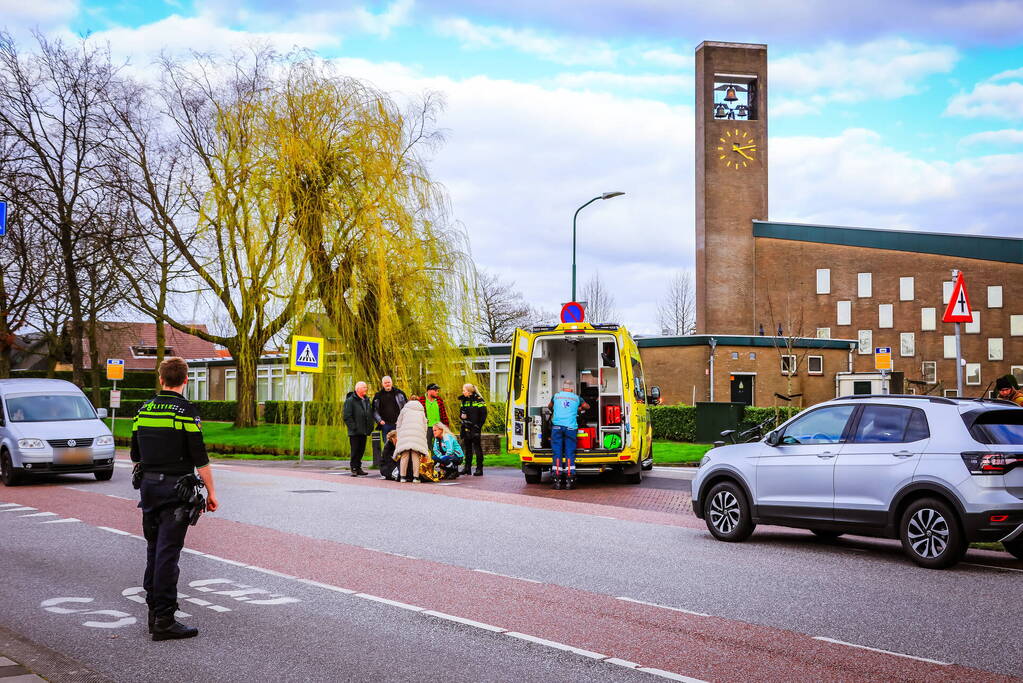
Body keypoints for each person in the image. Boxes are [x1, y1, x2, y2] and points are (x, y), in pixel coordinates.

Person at [130, 356, 218, 641]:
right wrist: (212, 492)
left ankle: (153, 612)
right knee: (169, 553)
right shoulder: (185, 412)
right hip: (175, 490)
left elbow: (134, 454)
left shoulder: (143, 410)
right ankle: (165, 620)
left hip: (149, 489)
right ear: (185, 380)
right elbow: (199, 456)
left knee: (154, 549)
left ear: (160, 378)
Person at [548, 379, 589, 490]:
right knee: (569, 452)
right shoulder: (576, 398)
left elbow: (549, 406)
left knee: (557, 452)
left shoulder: (556, 396)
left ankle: (557, 479)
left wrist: (555, 408)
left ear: (562, 388)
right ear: (572, 389)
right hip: (571, 428)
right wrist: (578, 408)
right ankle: (570, 479)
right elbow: (587, 407)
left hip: (557, 427)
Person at [372, 376, 408, 476]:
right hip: (385, 425)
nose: (387, 384)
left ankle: (401, 466)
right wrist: (379, 421)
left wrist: (401, 419)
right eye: (385, 383)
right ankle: (389, 466)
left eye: (389, 382)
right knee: (387, 445)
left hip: (398, 425)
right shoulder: (378, 396)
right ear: (382, 384)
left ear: (391, 383)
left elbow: (406, 406)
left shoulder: (399, 393)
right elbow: (374, 410)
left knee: (400, 445)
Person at [343, 381, 374, 476]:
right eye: (364, 387)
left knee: (361, 450)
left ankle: (359, 467)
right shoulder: (350, 400)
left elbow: (369, 413)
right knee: (355, 450)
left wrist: (370, 426)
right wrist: (354, 427)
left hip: (364, 430)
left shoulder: (366, 400)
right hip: (355, 431)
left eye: (366, 387)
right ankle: (354, 468)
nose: (366, 389)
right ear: (358, 389)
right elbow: (347, 416)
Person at [395, 398, 429, 483]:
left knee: (404, 455)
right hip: (417, 434)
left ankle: (403, 477)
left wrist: (399, 434)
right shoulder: (421, 411)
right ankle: (416, 477)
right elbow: (425, 425)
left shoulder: (404, 410)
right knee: (415, 455)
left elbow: (398, 423)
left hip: (405, 434)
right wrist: (423, 434)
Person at [458, 383, 487, 476]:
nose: (463, 392)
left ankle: (479, 469)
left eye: (464, 390)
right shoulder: (463, 400)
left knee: (477, 448)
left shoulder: (479, 400)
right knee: (468, 448)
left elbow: (483, 414)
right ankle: (467, 468)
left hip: (475, 427)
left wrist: (478, 426)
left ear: (469, 392)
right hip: (466, 427)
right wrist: (462, 416)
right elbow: (461, 413)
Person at [417, 383, 449, 454]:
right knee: (427, 445)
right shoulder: (421, 400)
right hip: (427, 427)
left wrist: (446, 425)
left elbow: (444, 414)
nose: (437, 392)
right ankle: (429, 461)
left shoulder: (439, 400)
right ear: (429, 391)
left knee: (441, 445)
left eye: (438, 391)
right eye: (436, 391)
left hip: (439, 427)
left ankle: (441, 461)